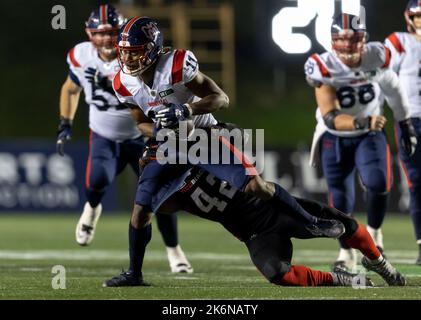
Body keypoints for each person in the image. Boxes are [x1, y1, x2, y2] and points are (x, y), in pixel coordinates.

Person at [106, 16, 345, 286]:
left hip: (201, 136)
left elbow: (221, 98)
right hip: (170, 145)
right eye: (124, 53)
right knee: (141, 210)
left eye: (135, 53)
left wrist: (186, 109)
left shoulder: (176, 64)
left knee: (255, 186)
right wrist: (160, 132)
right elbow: (141, 124)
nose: (128, 60)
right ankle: (134, 273)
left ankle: (312, 221)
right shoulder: (122, 82)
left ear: (152, 48)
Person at [103, 160, 407, 287]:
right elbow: (150, 212)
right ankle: (343, 279)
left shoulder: (203, 153)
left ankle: (380, 264)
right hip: (254, 232)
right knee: (278, 274)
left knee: (347, 226)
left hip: (275, 208)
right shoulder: (171, 196)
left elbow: (225, 134)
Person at [56, 5, 193, 273]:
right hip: (104, 134)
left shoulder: (137, 57)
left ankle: (174, 250)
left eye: (111, 33)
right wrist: (65, 122)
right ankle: (92, 209)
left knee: (159, 197)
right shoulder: (81, 56)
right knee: (96, 180)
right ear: (89, 34)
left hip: (141, 135)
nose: (106, 40)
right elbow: (70, 88)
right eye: (99, 33)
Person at [304, 13, 417, 272]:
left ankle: (375, 233)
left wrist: (404, 121)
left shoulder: (377, 55)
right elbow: (330, 116)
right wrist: (363, 123)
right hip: (336, 136)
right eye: (342, 41)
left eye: (353, 41)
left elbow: (393, 86)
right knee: (341, 198)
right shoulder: (322, 65)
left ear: (363, 39)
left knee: (379, 183)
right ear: (332, 42)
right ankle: (346, 252)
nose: (348, 49)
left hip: (369, 136)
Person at [384, 0, 421, 265]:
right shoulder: (399, 41)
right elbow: (384, 78)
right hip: (411, 120)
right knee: (417, 184)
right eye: (417, 16)